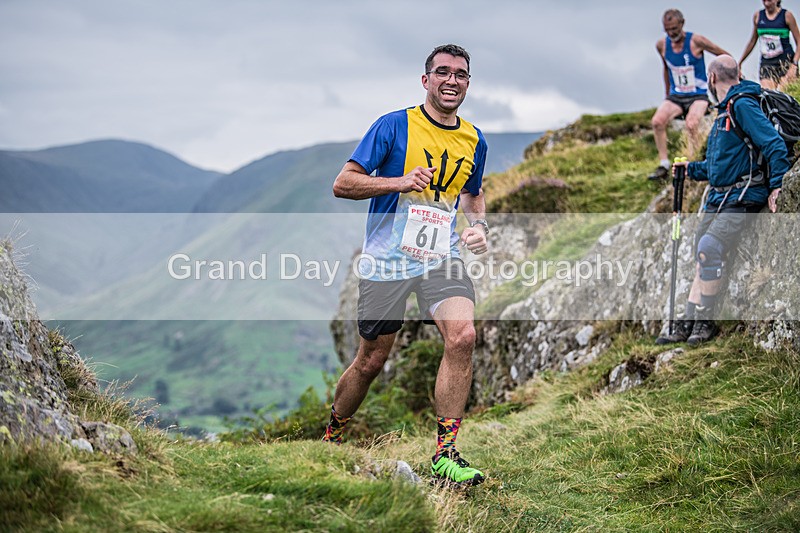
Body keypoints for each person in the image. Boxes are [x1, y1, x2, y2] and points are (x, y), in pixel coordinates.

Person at [324, 44, 489, 487]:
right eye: (443, 72)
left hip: (441, 256)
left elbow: (472, 193)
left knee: (463, 336)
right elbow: (343, 183)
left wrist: (478, 226)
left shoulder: (475, 139)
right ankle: (332, 437)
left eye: (461, 74)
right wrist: (399, 182)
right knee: (371, 360)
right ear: (426, 80)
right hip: (387, 262)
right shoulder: (393, 126)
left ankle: (445, 455)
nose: (452, 80)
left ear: (468, 83)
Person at [656, 55, 788, 346]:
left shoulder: (742, 105)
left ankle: (705, 321)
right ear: (738, 73)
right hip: (720, 196)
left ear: (712, 79)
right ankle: (688, 321)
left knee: (708, 248)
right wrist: (690, 169)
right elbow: (718, 169)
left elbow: (774, 144)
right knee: (701, 254)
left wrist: (777, 186)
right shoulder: (723, 113)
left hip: (742, 195)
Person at [649, 9, 730, 181]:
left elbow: (722, 54)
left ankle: (693, 162)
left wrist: (725, 78)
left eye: (674, 29)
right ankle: (663, 163)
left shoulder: (696, 41)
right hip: (676, 95)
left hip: (698, 95)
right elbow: (666, 67)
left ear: (682, 23)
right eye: (667, 30)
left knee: (692, 124)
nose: (671, 33)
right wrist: (667, 92)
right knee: (657, 121)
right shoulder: (662, 45)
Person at [739, 0, 800, 89]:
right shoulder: (758, 16)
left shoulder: (787, 16)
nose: (766, 3)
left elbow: (799, 41)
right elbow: (752, 41)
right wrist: (740, 62)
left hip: (785, 62)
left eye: (770, 0)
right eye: (764, 0)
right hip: (767, 63)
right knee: (769, 94)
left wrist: (794, 64)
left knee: (784, 94)